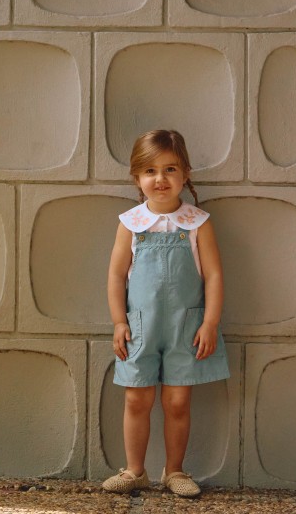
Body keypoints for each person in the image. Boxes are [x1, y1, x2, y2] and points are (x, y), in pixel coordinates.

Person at [102, 130, 230, 497]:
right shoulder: (130, 223)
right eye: (150, 171)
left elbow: (214, 275)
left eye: (170, 169)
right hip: (139, 329)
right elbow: (115, 276)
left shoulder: (197, 222)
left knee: (177, 402)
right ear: (137, 178)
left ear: (185, 174)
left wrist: (210, 322)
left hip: (185, 329)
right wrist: (119, 321)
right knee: (136, 399)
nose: (160, 179)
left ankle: (174, 471)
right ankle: (134, 471)